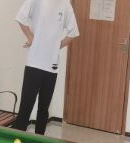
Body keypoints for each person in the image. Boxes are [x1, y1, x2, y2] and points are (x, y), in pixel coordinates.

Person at [12, 0, 79, 135]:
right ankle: (16, 138)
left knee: (43, 110)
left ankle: (39, 141)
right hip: (34, 64)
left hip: (52, 67)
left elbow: (74, 32)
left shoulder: (65, 5)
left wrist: (56, 46)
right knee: (25, 108)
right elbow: (20, 17)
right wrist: (30, 36)